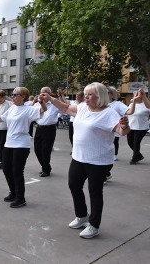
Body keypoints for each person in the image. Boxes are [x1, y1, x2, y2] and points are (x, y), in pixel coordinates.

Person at [40, 82, 130, 239]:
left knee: (94, 191)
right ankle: (82, 216)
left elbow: (121, 132)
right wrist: (51, 99)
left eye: (90, 94)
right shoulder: (82, 107)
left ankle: (94, 225)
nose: (85, 97)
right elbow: (66, 108)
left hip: (99, 160)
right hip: (79, 157)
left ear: (100, 96)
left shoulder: (109, 113)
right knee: (74, 185)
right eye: (85, 94)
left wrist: (124, 126)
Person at [0, 87, 47, 207]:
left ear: (22, 96)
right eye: (11, 95)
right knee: (6, 169)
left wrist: (41, 101)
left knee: (17, 171)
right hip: (9, 143)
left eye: (14, 95)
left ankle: (20, 198)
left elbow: (43, 110)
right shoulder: (12, 108)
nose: (11, 97)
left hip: (21, 144)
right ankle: (13, 193)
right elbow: (1, 118)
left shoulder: (29, 109)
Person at [33, 87, 62, 177]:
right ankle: (45, 166)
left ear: (49, 94)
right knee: (37, 149)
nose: (42, 94)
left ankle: (46, 169)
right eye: (41, 92)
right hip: (39, 128)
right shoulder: (37, 104)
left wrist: (59, 97)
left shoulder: (54, 104)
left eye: (45, 93)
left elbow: (65, 110)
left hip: (50, 129)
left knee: (45, 150)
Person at [107, 86, 136, 162]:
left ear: (112, 94)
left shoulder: (118, 104)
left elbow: (130, 112)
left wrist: (134, 102)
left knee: (115, 141)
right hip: (105, 127)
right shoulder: (102, 104)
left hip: (115, 127)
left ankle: (115, 154)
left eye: (107, 92)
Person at [126, 88, 150, 164]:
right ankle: (139, 155)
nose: (137, 96)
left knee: (136, 142)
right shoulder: (131, 104)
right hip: (131, 126)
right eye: (135, 95)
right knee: (130, 142)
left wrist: (144, 97)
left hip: (141, 127)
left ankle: (135, 158)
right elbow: (128, 113)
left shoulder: (145, 104)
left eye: (139, 95)